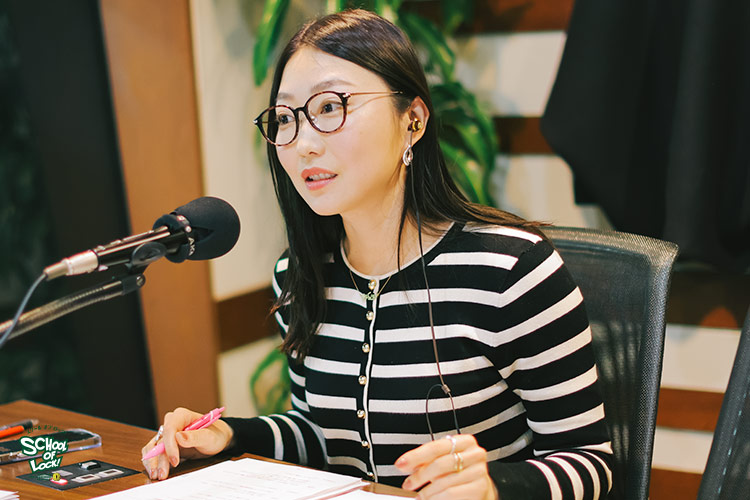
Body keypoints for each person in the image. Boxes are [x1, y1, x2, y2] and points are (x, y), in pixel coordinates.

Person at [142, 9, 613, 499]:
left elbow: (590, 463)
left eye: (330, 107)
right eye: (284, 118)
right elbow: (323, 436)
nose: (302, 144)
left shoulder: (511, 271)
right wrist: (231, 435)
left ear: (413, 120)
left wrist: (494, 486)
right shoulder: (299, 275)